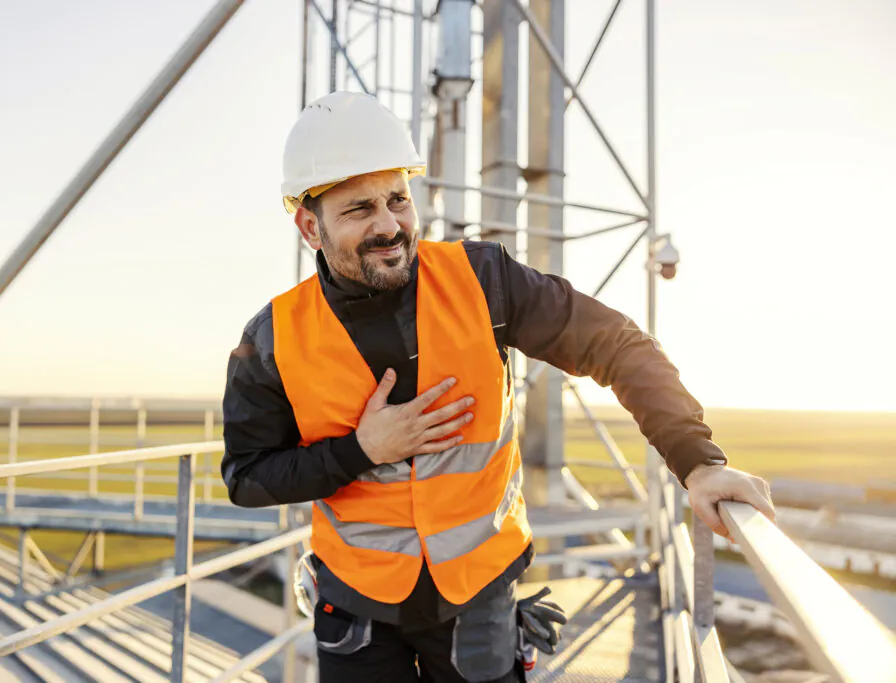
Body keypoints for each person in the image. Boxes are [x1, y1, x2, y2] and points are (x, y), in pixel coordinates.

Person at [221, 91, 775, 683]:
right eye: (359, 209)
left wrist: (699, 462)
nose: (388, 226)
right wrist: (361, 450)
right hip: (357, 606)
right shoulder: (273, 339)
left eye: (398, 200)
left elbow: (618, 345)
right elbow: (247, 476)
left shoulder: (483, 279)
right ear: (311, 227)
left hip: (478, 598)